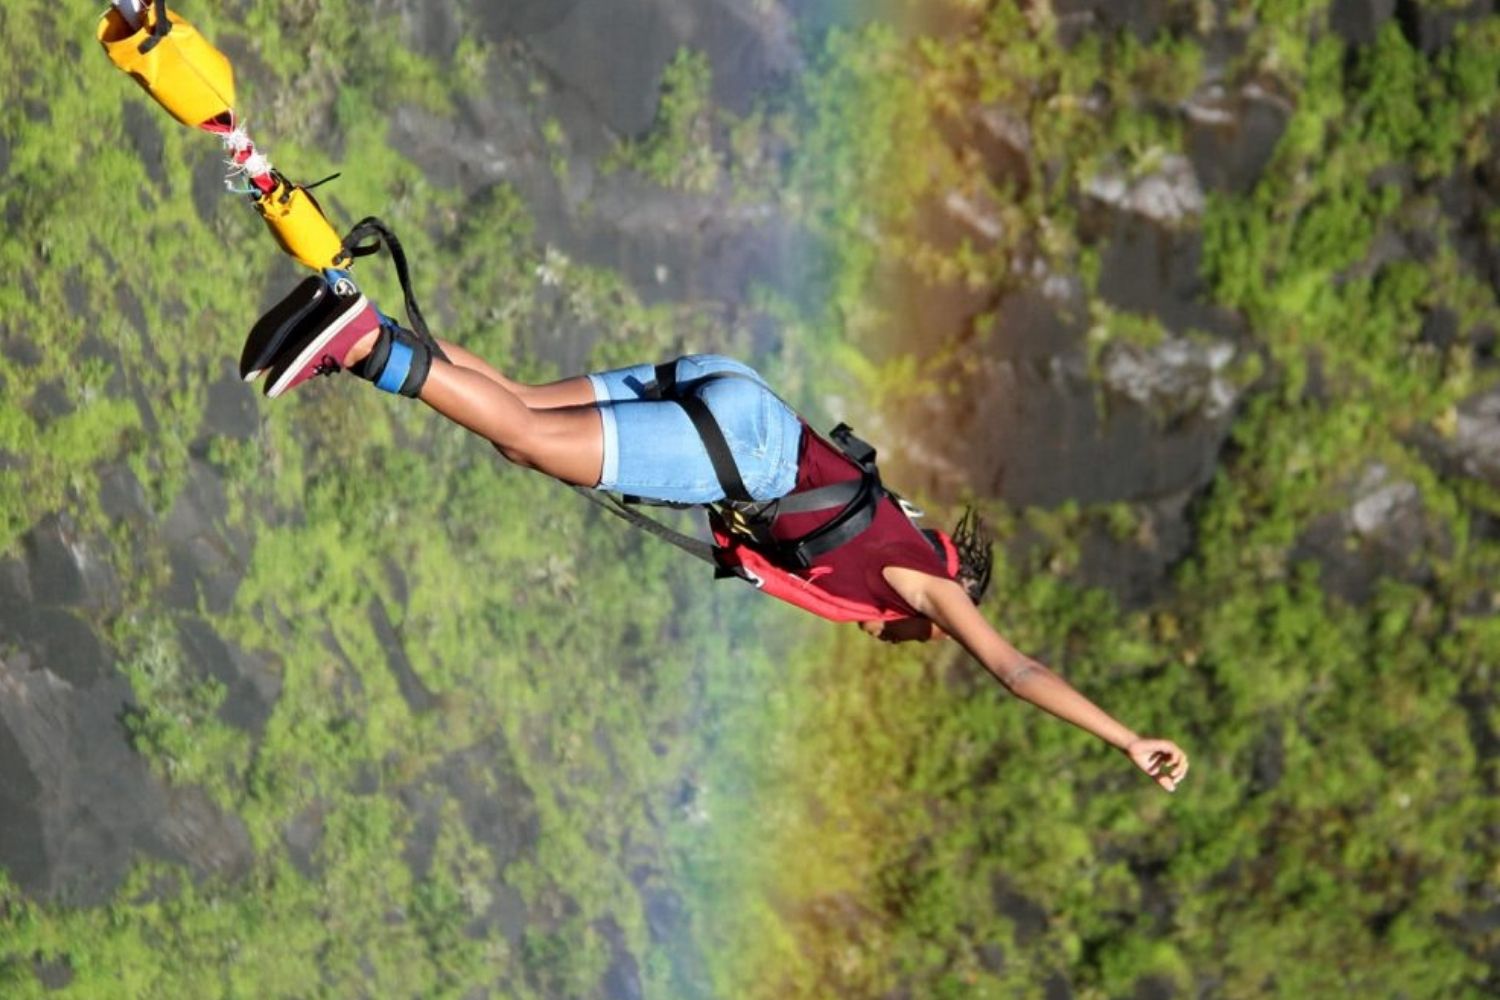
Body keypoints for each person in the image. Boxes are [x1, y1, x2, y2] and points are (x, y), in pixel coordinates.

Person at [249, 287, 1190, 792]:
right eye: (918, 639)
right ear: (946, 612)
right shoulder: (929, 591)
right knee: (533, 436)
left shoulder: (898, 528)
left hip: (737, 392)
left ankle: (345, 305)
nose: (894, 640)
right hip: (746, 448)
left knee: (523, 420)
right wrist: (1125, 738)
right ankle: (366, 345)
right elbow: (1017, 671)